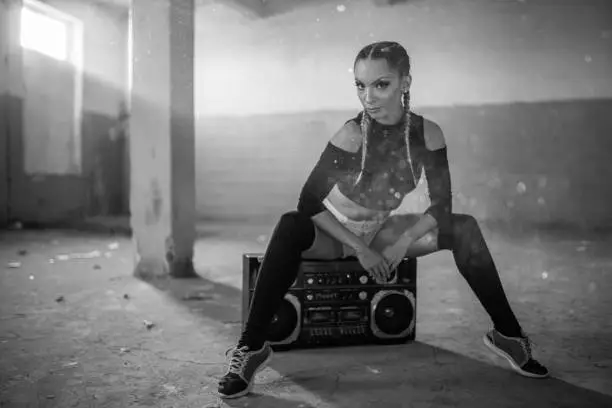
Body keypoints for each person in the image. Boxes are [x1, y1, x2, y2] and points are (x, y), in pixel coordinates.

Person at [217, 41, 549, 399]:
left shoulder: (427, 134)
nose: (368, 97)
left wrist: (402, 242)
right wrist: (359, 248)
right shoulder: (351, 134)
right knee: (289, 223)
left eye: (381, 84)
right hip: (335, 233)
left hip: (381, 231)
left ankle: (508, 335)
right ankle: (251, 348)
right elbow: (308, 201)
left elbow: (442, 205)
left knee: (463, 227)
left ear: (405, 82)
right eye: (360, 85)